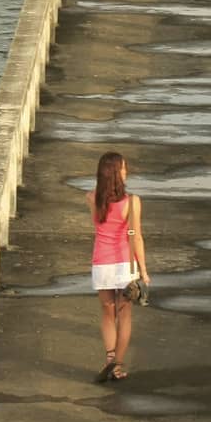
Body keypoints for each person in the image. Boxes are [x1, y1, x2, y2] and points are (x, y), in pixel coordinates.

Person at [87, 151, 150, 382]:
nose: (127, 172)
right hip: (125, 264)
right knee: (124, 315)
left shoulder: (91, 198)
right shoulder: (132, 202)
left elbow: (98, 226)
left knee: (107, 314)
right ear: (116, 173)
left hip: (101, 263)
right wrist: (143, 270)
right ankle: (118, 365)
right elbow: (136, 237)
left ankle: (109, 358)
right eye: (123, 168)